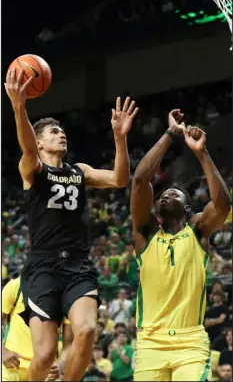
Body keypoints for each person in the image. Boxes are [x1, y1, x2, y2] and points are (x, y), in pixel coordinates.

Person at [4, 68, 139, 381]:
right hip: (42, 267)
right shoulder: (32, 168)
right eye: (52, 132)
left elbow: (120, 179)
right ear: (38, 143)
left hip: (78, 264)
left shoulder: (79, 170)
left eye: (61, 130)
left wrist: (120, 139)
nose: (60, 133)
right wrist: (19, 107)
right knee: (45, 355)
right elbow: (25, 146)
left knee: (88, 330)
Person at [130, 109, 231, 381]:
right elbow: (140, 180)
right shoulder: (145, 233)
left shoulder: (198, 230)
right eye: (162, 194)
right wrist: (170, 135)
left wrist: (202, 154)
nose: (165, 195)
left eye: (173, 193)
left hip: (190, 341)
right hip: (150, 342)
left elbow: (222, 205)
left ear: (187, 207)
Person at [2, 277, 73, 381]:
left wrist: (61, 363)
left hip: (45, 369)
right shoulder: (16, 285)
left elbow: (69, 344)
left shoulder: (65, 295)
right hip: (13, 365)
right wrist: (2, 352)